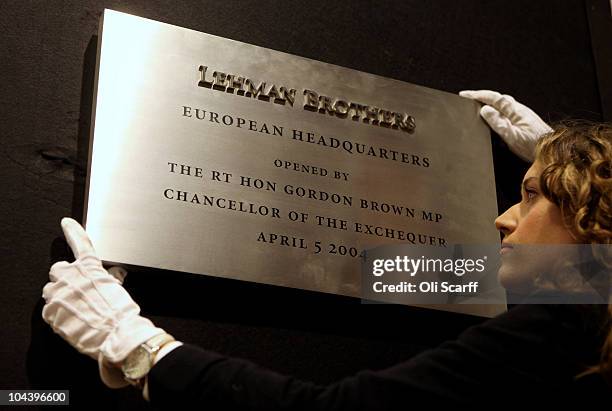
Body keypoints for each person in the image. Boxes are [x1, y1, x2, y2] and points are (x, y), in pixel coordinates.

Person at [41, 91, 612, 409]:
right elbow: (377, 271)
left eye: (530, 194)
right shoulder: (587, 326)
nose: (501, 218)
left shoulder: (557, 329)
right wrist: (562, 160)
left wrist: (136, 345)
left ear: (592, 219)